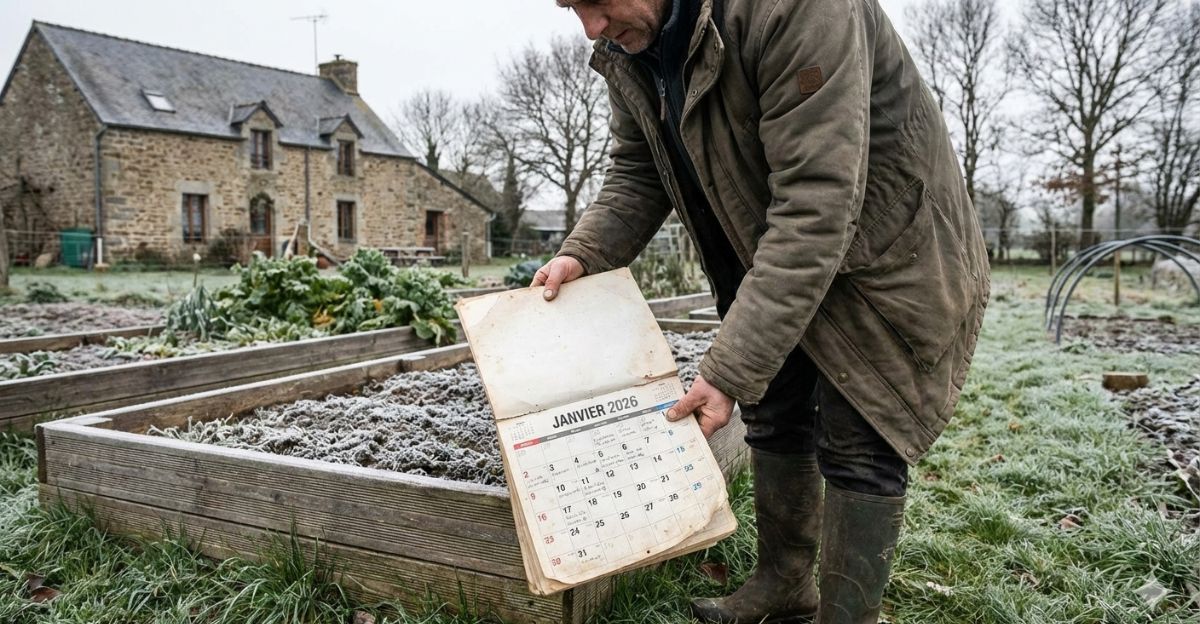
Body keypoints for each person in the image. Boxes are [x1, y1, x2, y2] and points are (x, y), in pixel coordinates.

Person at [535, 0, 990, 622]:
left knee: (861, 436)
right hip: (770, 253)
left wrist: (726, 368)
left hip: (883, 254)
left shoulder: (798, 9)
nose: (590, 28)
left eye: (596, 0)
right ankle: (784, 583)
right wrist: (583, 254)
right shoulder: (633, 46)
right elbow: (640, 169)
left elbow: (816, 203)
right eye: (569, 6)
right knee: (773, 410)